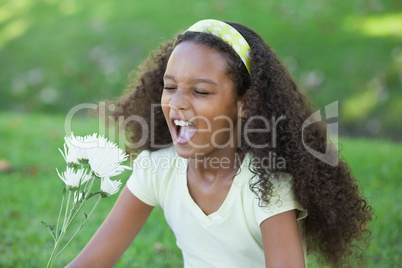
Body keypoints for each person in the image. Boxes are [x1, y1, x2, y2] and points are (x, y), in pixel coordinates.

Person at [68, 19, 373, 267]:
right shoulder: (156, 169)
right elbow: (91, 262)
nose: (177, 103)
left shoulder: (267, 188)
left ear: (245, 104)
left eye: (200, 92)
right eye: (170, 86)